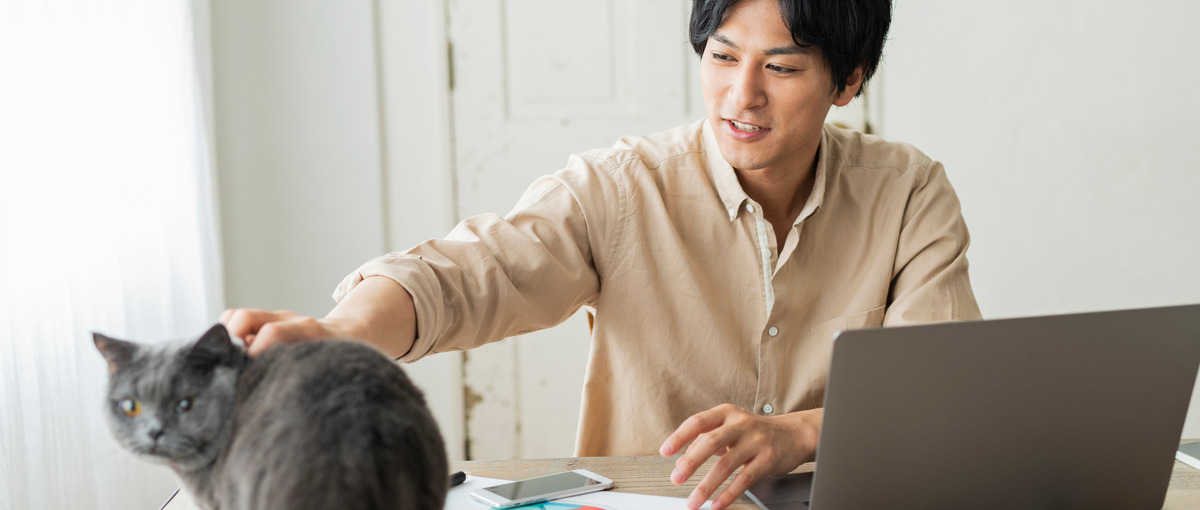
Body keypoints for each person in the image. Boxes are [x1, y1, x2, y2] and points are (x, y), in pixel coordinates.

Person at [223, 0, 981, 509]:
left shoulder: (908, 192)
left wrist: (796, 435)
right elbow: (470, 275)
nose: (739, 95)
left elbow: (937, 391)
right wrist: (341, 335)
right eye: (721, 57)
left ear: (848, 81)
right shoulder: (622, 188)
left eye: (780, 69)